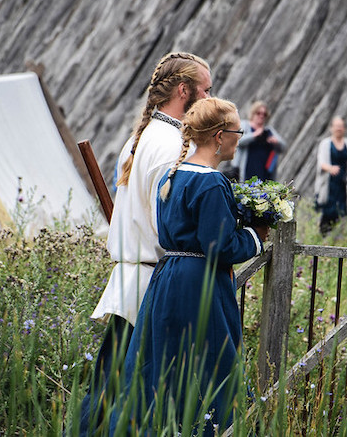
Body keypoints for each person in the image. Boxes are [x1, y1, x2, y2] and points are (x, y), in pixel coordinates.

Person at [110, 98, 268, 435]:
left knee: (165, 359)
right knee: (212, 360)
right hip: (200, 285)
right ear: (219, 136)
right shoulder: (210, 182)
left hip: (167, 280)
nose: (240, 138)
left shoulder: (173, 174)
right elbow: (219, 246)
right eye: (237, 132)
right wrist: (256, 235)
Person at [78, 52, 212, 436]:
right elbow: (171, 225)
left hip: (135, 277)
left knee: (109, 386)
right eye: (206, 90)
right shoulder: (172, 144)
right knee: (137, 393)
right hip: (155, 281)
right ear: (183, 90)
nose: (209, 99)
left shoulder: (145, 137)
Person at [230, 100, 286, 182]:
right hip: (245, 172)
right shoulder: (244, 125)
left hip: (264, 173)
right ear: (253, 113)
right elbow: (237, 141)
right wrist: (254, 135)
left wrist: (276, 142)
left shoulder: (268, 130)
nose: (261, 116)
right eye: (258, 113)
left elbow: (283, 147)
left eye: (264, 114)